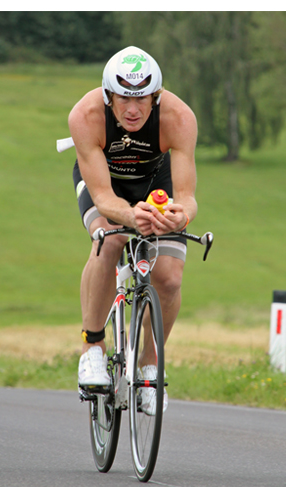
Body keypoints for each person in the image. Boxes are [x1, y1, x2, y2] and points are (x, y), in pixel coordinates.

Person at [71, 46, 198, 415]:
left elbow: (188, 198)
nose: (132, 109)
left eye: (142, 98)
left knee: (170, 277)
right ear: (108, 96)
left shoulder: (178, 117)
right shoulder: (86, 116)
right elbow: (102, 196)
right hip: (106, 186)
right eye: (124, 97)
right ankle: (92, 348)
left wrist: (179, 217)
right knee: (109, 240)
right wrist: (129, 217)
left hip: (156, 186)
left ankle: (150, 364)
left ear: (156, 97)